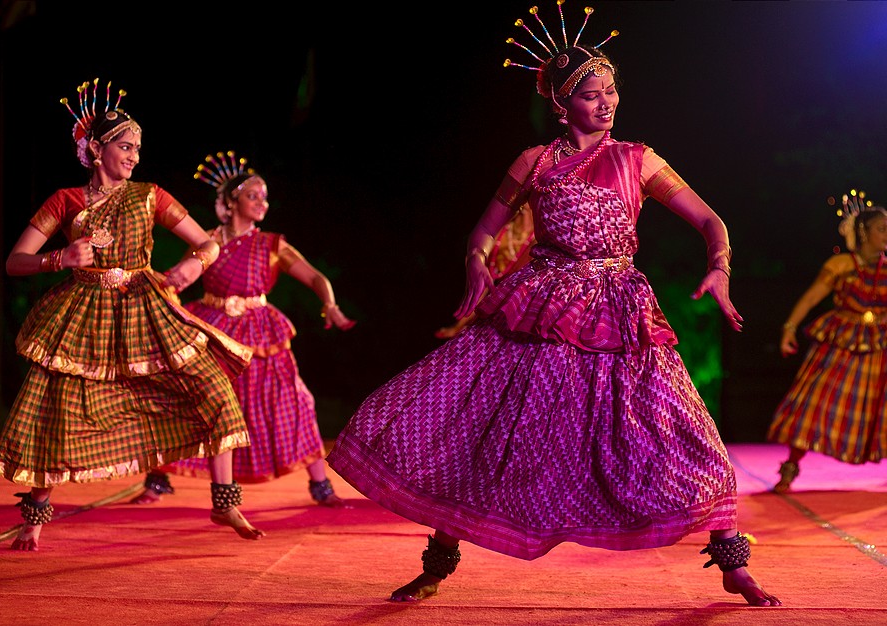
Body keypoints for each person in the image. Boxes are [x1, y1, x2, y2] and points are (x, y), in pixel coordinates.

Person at [326, 3, 781, 607]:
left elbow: (709, 220)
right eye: (593, 95)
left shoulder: (637, 158)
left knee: (682, 432)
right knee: (480, 430)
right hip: (539, 306)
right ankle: (437, 563)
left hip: (619, 310)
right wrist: (476, 261)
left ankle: (732, 561)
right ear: (563, 103)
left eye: (612, 92)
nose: (607, 103)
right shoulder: (533, 163)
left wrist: (720, 270)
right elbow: (482, 231)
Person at [0, 79, 264, 550]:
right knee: (60, 408)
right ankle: (34, 516)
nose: (135, 155)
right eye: (125, 146)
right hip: (82, 315)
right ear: (96, 148)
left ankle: (224, 499)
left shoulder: (149, 195)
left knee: (213, 385)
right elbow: (15, 261)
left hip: (145, 307)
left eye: (138, 147)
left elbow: (208, 242)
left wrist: (189, 266)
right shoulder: (65, 201)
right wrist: (60, 259)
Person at [129, 151, 356, 508]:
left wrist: (330, 304)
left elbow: (315, 277)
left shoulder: (272, 245)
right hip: (213, 329)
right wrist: (156, 294)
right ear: (232, 202)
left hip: (261, 331)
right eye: (253, 195)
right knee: (188, 398)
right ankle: (158, 479)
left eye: (264, 196)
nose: (262, 202)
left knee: (292, 401)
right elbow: (179, 278)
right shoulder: (208, 240)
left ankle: (321, 486)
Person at [767, 191, 887, 493]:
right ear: (863, 232)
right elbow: (810, 297)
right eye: (881, 229)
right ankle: (790, 468)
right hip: (842, 340)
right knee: (816, 402)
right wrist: (789, 328)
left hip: (880, 344)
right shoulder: (841, 265)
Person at [434, 204, 534, 339]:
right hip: (487, 283)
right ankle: (461, 325)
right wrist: (476, 257)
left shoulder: (535, 240)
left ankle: (466, 327)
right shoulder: (503, 229)